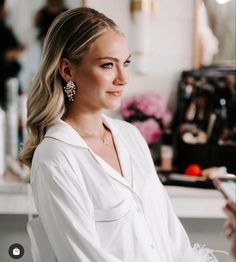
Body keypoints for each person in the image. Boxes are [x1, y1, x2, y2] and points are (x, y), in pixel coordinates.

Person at [19, 7, 219, 262]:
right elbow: (82, 257)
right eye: (107, 65)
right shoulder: (56, 158)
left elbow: (171, 235)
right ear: (67, 70)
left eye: (125, 63)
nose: (123, 78)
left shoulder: (130, 136)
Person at [0, 0, 24, 108]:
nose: (6, 10)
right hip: (5, 77)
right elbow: (9, 54)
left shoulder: (5, 28)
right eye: (4, 7)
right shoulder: (4, 30)